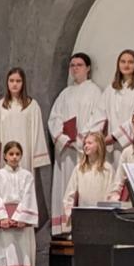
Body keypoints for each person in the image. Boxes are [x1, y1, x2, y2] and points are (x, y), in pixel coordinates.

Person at [46, 53, 105, 231]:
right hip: (67, 150)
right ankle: (64, 227)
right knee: (65, 188)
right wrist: (65, 138)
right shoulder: (65, 93)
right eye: (72, 65)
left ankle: (80, 227)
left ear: (88, 68)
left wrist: (82, 139)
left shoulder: (95, 91)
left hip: (83, 149)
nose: (75, 68)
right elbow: (54, 119)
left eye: (79, 65)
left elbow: (99, 117)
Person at [0, 69, 49, 194]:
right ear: (7, 83)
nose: (14, 84)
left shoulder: (32, 105)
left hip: (25, 152)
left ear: (23, 83)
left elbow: (37, 132)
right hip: (5, 153)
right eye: (11, 81)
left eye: (18, 81)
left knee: (25, 187)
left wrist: (37, 157)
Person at [59, 131, 122, 228]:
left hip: (103, 218)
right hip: (83, 218)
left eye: (90, 143)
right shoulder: (79, 168)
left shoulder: (107, 169)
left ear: (99, 145)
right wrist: (70, 215)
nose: (85, 146)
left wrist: (110, 215)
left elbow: (113, 194)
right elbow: (69, 195)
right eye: (85, 143)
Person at [104, 50, 134, 147]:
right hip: (109, 142)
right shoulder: (110, 88)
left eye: (130, 62)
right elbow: (100, 113)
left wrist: (116, 135)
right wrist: (95, 136)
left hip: (129, 141)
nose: (126, 65)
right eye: (123, 62)